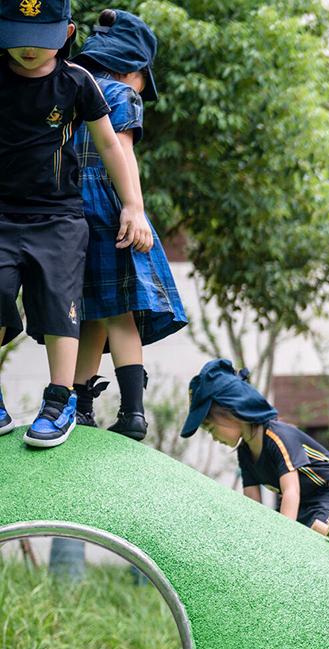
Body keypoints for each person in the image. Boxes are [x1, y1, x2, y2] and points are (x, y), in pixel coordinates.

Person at [0, 0, 145, 447]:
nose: (29, 49)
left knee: (60, 304)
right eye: (18, 37)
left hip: (59, 218)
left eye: (41, 39)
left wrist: (133, 206)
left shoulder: (76, 82)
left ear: (65, 34)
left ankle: (59, 399)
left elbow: (109, 144)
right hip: (3, 215)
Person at [70, 9, 186, 441]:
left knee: (88, 312)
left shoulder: (66, 87)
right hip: (110, 206)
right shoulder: (121, 93)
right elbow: (122, 151)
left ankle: (79, 406)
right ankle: (133, 411)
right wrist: (133, 208)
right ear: (134, 68)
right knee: (120, 314)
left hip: (63, 209)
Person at [181, 359, 329, 529]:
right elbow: (253, 505)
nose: (214, 438)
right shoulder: (245, 452)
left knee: (312, 535)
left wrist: (284, 538)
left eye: (211, 428)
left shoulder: (277, 437)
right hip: (302, 501)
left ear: (231, 412)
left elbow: (291, 491)